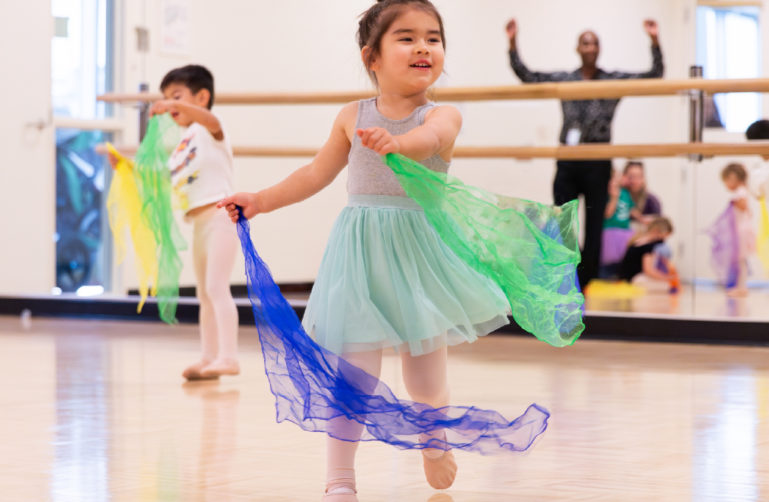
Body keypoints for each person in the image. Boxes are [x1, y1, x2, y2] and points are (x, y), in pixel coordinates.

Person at [219, 2, 515, 500]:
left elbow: (431, 139)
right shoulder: (351, 116)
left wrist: (398, 146)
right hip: (360, 255)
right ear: (371, 57)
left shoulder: (441, 114)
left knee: (423, 380)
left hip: (420, 254)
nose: (423, 46)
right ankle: (340, 479)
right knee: (353, 374)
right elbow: (315, 175)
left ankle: (433, 432)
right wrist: (261, 201)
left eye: (433, 38)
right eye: (406, 37)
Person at [505, 18, 664, 287]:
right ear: (577, 48)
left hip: (597, 163)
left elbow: (654, 74)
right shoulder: (566, 79)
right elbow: (528, 76)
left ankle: (587, 281)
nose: (590, 47)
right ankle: (569, 275)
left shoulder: (612, 80)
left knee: (593, 228)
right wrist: (512, 43)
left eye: (594, 43)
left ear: (599, 49)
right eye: (585, 43)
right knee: (563, 221)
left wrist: (654, 40)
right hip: (568, 161)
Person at [110, 65, 240, 380]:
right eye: (167, 99)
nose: (170, 105)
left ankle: (229, 357)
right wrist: (128, 167)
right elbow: (164, 178)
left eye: (177, 96)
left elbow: (210, 120)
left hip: (222, 215)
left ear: (202, 96)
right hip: (199, 222)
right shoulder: (183, 143)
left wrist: (177, 107)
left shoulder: (211, 128)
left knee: (216, 287)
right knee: (204, 294)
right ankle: (209, 357)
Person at [714, 163, 755, 296]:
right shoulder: (742, 191)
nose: (726, 185)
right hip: (740, 229)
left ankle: (741, 286)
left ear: (733, 178)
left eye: (726, 181)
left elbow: (743, 206)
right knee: (739, 260)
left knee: (739, 260)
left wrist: (735, 203)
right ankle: (739, 285)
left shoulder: (740, 192)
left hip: (741, 231)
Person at [618, 216, 675, 285]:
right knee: (667, 285)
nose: (663, 241)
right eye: (664, 237)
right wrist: (667, 278)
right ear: (656, 231)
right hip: (634, 279)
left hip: (624, 278)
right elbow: (648, 270)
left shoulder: (637, 240)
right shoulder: (648, 246)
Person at [600, 167, 634, 278]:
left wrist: (642, 218)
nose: (613, 183)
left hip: (625, 232)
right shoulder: (607, 195)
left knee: (622, 259)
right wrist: (614, 198)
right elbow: (607, 214)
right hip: (610, 232)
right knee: (609, 260)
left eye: (615, 179)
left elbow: (631, 210)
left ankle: (619, 278)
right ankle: (605, 277)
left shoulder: (625, 193)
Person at [622, 161, 662, 227]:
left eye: (639, 176)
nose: (634, 181)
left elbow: (659, 226)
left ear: (643, 178)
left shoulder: (652, 201)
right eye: (631, 176)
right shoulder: (617, 198)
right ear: (623, 177)